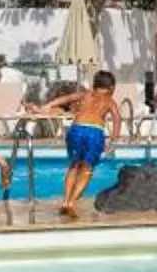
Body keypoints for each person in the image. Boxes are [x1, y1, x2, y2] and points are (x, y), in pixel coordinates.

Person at [44, 69, 120, 220]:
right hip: (94, 132)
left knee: (74, 166)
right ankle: (71, 204)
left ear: (94, 84)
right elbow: (117, 119)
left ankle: (65, 201)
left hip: (76, 129)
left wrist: (48, 106)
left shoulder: (85, 94)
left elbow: (67, 98)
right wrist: (113, 139)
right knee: (87, 170)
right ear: (111, 88)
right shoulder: (109, 101)